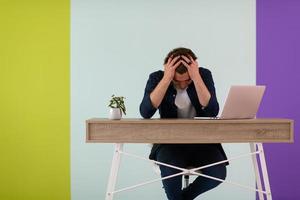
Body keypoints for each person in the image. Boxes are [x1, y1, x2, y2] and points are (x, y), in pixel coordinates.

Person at [139, 47, 228, 200]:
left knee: (218, 172)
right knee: (171, 170)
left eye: (187, 80)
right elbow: (145, 112)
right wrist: (166, 79)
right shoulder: (157, 78)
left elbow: (212, 111)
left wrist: (196, 77)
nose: (182, 85)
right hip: (169, 143)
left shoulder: (203, 75)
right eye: (177, 81)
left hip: (202, 142)